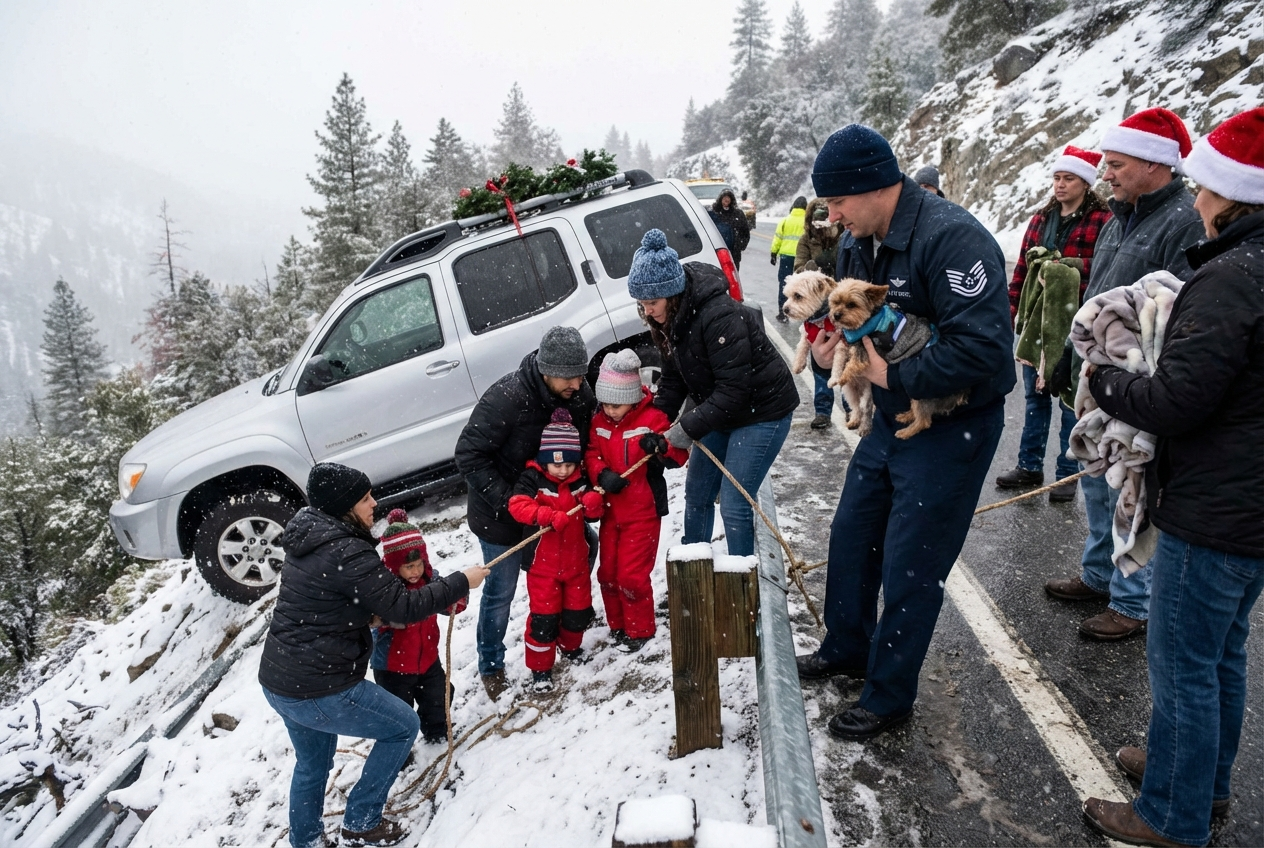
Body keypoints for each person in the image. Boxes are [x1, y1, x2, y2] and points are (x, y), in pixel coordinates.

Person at [1080, 107, 1264, 848]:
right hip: (1251, 507)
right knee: (1221, 652)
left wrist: (1106, 382)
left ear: (1232, 192)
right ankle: (1203, 784)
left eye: (1206, 187)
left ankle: (1170, 815)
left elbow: (1178, 401)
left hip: (1216, 505)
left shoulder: (1229, 281)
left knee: (1185, 660)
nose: (1196, 200)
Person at [795, 124, 1015, 740]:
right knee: (852, 531)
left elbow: (985, 348)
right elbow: (852, 326)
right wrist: (829, 348)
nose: (832, 217)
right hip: (888, 416)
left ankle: (889, 696)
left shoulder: (953, 239)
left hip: (951, 423)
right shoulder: (857, 242)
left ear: (873, 188)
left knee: (911, 561)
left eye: (838, 203)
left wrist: (897, 372)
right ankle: (846, 646)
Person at [258, 463, 487, 848]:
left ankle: (307, 840)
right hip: (320, 686)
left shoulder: (311, 540)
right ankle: (362, 821)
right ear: (345, 506)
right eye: (365, 498)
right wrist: (462, 581)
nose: (374, 503)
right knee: (401, 726)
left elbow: (326, 601)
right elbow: (405, 606)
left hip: (281, 681)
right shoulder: (346, 550)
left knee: (312, 766)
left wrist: (366, 614)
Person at [1042, 108, 1203, 642]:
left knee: (1129, 488)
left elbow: (1174, 309)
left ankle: (1132, 602)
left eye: (1115, 164)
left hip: (1136, 382)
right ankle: (1097, 575)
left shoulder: (1183, 220)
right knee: (1094, 477)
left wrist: (1137, 377)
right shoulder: (1120, 214)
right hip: (1097, 375)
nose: (1104, 174)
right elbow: (1100, 292)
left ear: (1155, 165)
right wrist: (1071, 352)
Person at [628, 228, 799, 557]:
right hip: (721, 410)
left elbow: (733, 391)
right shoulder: (672, 318)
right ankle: (694, 568)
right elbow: (675, 376)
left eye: (652, 302)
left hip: (762, 411)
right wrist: (656, 421)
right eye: (642, 303)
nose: (647, 310)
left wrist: (682, 432)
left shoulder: (718, 315)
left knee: (734, 503)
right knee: (698, 494)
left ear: (672, 293)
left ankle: (742, 584)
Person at [454, 326, 597, 700]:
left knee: (583, 555)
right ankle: (491, 664)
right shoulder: (507, 397)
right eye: (568, 376)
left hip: (557, 511)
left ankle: (566, 634)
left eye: (580, 374)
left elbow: (586, 446)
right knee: (501, 591)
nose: (577, 383)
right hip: (500, 513)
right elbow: (468, 454)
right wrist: (510, 503)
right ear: (546, 370)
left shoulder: (579, 396)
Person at [997, 145, 1112, 502]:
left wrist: (1062, 267)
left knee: (1069, 401)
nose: (1060, 185)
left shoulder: (1103, 221)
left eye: (1069, 178)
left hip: (1077, 324)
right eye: (1057, 178)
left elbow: (1105, 270)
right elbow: (1020, 271)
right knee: (1034, 397)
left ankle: (1065, 475)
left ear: (1086, 183)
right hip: (1036, 322)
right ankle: (1029, 467)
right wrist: (1009, 313)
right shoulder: (1040, 219)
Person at [585, 350, 689, 653]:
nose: (610, 410)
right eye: (604, 403)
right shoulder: (599, 421)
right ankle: (618, 625)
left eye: (615, 404)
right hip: (611, 512)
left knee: (631, 575)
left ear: (631, 397)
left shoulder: (653, 419)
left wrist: (660, 446)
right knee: (607, 573)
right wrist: (602, 474)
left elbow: (678, 456)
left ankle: (640, 628)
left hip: (642, 513)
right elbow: (592, 453)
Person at [507, 410, 605, 693]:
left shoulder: (580, 479)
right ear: (544, 460)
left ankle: (570, 647)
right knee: (544, 618)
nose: (562, 471)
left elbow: (593, 514)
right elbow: (517, 506)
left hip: (576, 564)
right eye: (555, 465)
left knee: (578, 611)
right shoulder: (533, 479)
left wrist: (592, 502)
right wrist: (545, 515)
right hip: (543, 568)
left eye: (568, 465)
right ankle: (540, 668)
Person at [370, 510, 466, 746]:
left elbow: (452, 601)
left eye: (418, 564)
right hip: (393, 667)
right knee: (397, 713)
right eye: (408, 567)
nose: (415, 572)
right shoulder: (385, 592)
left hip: (428, 661)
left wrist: (456, 599)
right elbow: (383, 618)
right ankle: (396, 749)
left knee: (438, 697)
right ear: (394, 567)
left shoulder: (432, 583)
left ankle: (436, 732)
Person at [795, 198, 845, 429]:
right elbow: (798, 268)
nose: (820, 223)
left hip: (841, 301)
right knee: (819, 356)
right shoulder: (806, 240)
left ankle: (851, 408)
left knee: (846, 352)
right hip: (817, 306)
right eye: (816, 218)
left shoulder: (844, 237)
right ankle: (823, 411)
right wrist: (811, 269)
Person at [771, 196, 808, 320]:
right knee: (802, 286)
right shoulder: (807, 221)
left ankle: (783, 313)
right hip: (802, 257)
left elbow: (777, 238)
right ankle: (803, 313)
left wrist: (773, 253)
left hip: (786, 257)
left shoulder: (785, 220)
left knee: (784, 284)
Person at [711, 187, 751, 269]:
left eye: (729, 197)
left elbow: (745, 232)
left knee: (733, 276)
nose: (726, 199)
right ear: (720, 199)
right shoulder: (714, 213)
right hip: (718, 252)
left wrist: (740, 245)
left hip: (734, 253)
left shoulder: (738, 214)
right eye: (724, 197)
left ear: (732, 200)